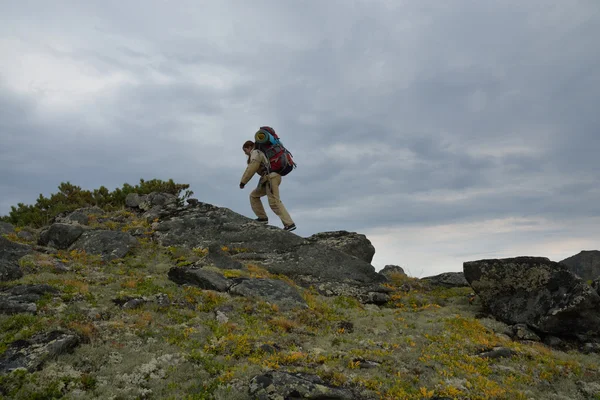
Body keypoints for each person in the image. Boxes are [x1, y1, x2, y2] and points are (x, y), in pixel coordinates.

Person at [240, 140, 296, 231]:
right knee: (254, 195)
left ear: (249, 147)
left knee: (274, 202)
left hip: (271, 178)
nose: (245, 153)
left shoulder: (255, 152)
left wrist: (243, 182)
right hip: (267, 179)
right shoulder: (260, 152)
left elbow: (252, 166)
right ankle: (262, 218)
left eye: (245, 150)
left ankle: (289, 224)